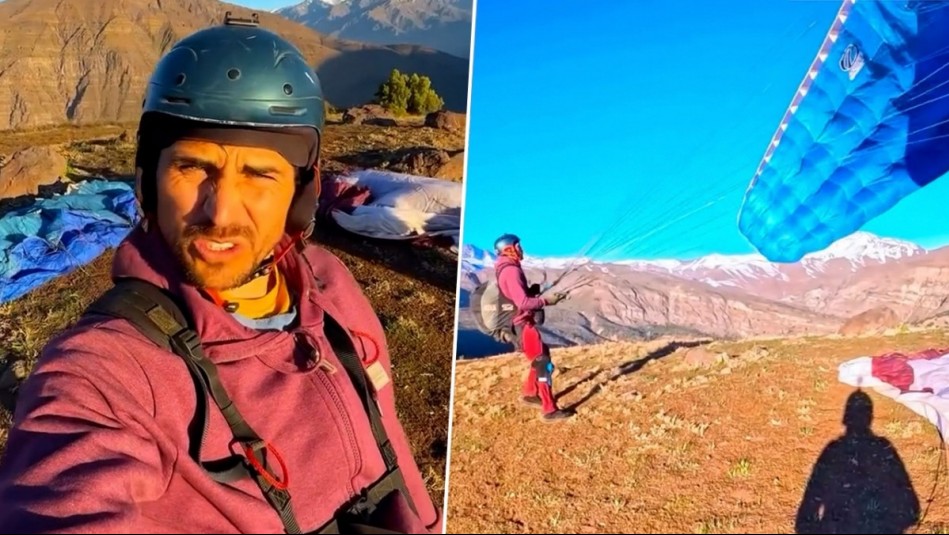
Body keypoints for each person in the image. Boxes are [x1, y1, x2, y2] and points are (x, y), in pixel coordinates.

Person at [0, 15, 440, 534]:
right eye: (193, 168)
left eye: (259, 174)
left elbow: (390, 438)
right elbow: (62, 493)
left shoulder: (329, 282)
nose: (221, 212)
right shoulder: (107, 372)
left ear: (301, 194)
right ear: (148, 180)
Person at [492, 233, 572, 422]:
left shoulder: (506, 268)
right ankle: (549, 410)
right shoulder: (511, 271)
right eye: (518, 246)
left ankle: (530, 393)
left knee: (542, 354)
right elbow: (523, 302)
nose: (522, 249)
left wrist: (532, 291)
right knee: (543, 362)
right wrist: (546, 301)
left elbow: (515, 296)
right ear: (509, 249)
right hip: (522, 324)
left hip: (517, 321)